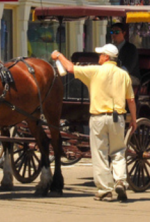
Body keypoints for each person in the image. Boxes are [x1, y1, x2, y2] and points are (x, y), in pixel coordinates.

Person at [52, 44, 136, 202]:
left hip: (98, 117)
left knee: (100, 153)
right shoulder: (124, 75)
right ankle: (120, 181)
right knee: (118, 151)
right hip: (118, 117)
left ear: (106, 57)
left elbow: (70, 68)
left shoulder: (94, 71)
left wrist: (58, 56)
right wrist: (134, 119)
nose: (98, 58)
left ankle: (105, 189)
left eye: (100, 55)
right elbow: (130, 100)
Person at [109, 23, 139, 87]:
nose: (113, 34)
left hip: (131, 76)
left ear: (124, 33)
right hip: (113, 75)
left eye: (117, 32)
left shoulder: (131, 48)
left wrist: (115, 73)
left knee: (114, 80)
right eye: (112, 32)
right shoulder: (109, 48)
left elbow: (128, 68)